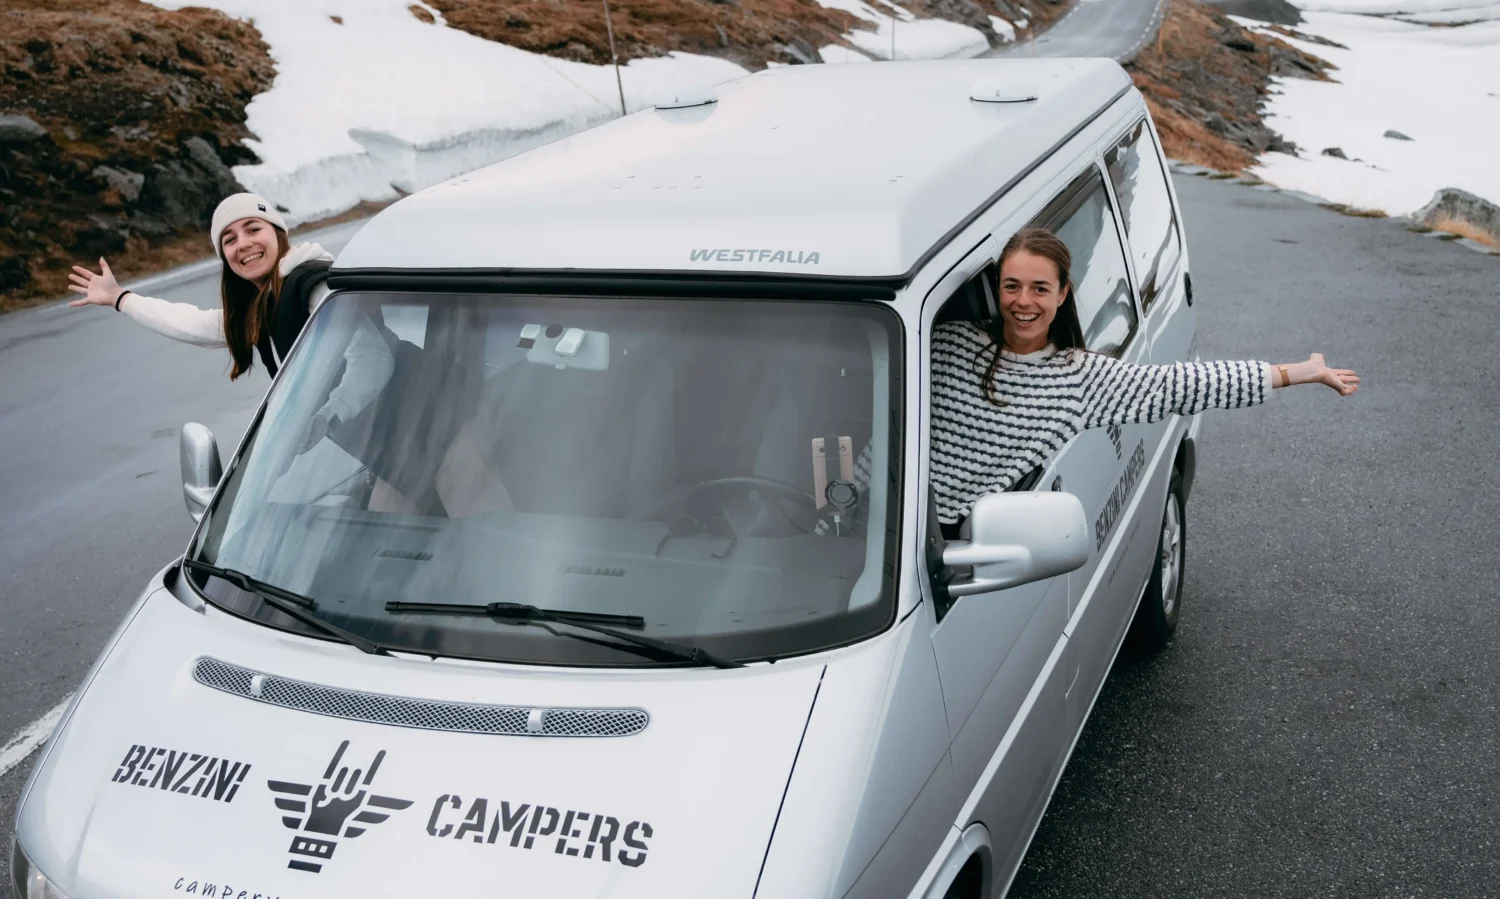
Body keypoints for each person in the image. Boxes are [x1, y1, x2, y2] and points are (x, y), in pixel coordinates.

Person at [928, 227, 1358, 533]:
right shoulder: (949, 343)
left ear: (1062, 295)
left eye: (1040, 288)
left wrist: (1300, 372)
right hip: (879, 522)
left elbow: (1183, 384)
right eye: (1011, 286)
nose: (1023, 301)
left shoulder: (1080, 378)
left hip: (947, 549)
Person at [67, 193, 393, 452]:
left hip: (419, 422)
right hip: (385, 436)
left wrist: (327, 416)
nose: (243, 244)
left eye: (253, 229)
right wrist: (120, 298)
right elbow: (194, 324)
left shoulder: (311, 286)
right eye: (229, 239)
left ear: (279, 234)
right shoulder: (267, 304)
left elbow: (374, 360)